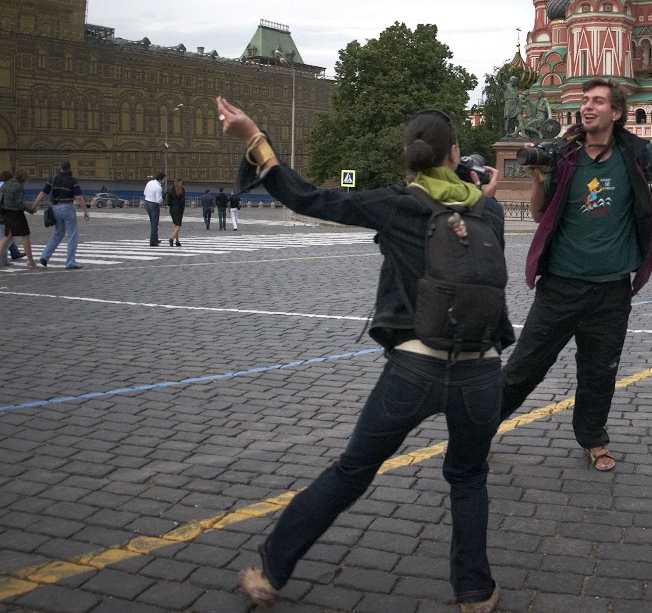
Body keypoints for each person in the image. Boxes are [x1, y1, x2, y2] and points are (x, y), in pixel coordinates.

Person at [217, 98, 510, 613]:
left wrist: (254, 138)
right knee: (469, 478)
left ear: (410, 155)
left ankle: (271, 571)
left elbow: (307, 197)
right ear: (455, 154)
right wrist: (477, 193)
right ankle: (475, 593)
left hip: (415, 367)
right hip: (482, 371)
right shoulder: (492, 212)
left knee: (352, 470)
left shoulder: (398, 204)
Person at [500, 73, 652, 472]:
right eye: (585, 100)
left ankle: (593, 439)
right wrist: (537, 178)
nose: (587, 106)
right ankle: (480, 428)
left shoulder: (635, 153)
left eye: (597, 101)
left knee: (599, 373)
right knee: (523, 369)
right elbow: (540, 214)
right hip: (560, 287)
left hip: (611, 292)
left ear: (616, 112)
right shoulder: (563, 155)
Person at [33, 160, 89, 269]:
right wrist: (85, 211)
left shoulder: (53, 178)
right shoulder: (72, 180)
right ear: (70, 168)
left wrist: (34, 205)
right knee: (72, 235)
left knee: (58, 233)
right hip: (67, 207)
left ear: (60, 167)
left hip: (55, 208)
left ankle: (44, 256)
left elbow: (42, 193)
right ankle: (70, 262)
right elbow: (79, 198)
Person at [0, 171, 37, 268]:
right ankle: (30, 260)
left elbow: (0, 199)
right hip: (17, 214)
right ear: (23, 178)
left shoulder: (5, 185)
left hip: (6, 213)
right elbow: (19, 204)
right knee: (25, 236)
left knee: (7, 236)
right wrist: (30, 210)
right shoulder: (18, 187)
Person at [143, 172, 165, 246]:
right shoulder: (158, 187)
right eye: (164, 179)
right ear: (161, 179)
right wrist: (163, 198)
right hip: (154, 204)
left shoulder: (149, 182)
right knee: (154, 223)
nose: (164, 180)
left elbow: (145, 193)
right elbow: (159, 200)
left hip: (147, 202)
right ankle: (153, 241)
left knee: (153, 222)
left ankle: (155, 238)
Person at [167, 178, 186, 247]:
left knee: (175, 224)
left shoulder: (171, 188)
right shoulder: (182, 189)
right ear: (180, 182)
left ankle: (177, 241)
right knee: (178, 224)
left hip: (172, 208)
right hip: (179, 208)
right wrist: (183, 208)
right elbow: (182, 200)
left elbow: (165, 196)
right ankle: (172, 239)